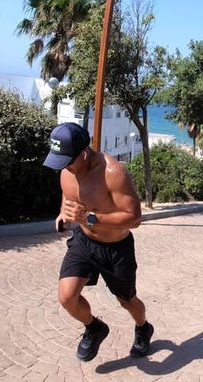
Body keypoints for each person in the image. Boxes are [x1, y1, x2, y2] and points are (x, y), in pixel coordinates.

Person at [44, 122, 153, 362]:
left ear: (83, 153)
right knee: (67, 297)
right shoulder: (67, 171)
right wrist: (63, 215)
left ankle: (143, 328)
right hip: (84, 242)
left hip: (117, 249)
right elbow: (68, 200)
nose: (64, 168)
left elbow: (134, 218)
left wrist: (90, 217)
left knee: (127, 301)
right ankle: (95, 328)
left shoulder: (114, 173)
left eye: (67, 161)